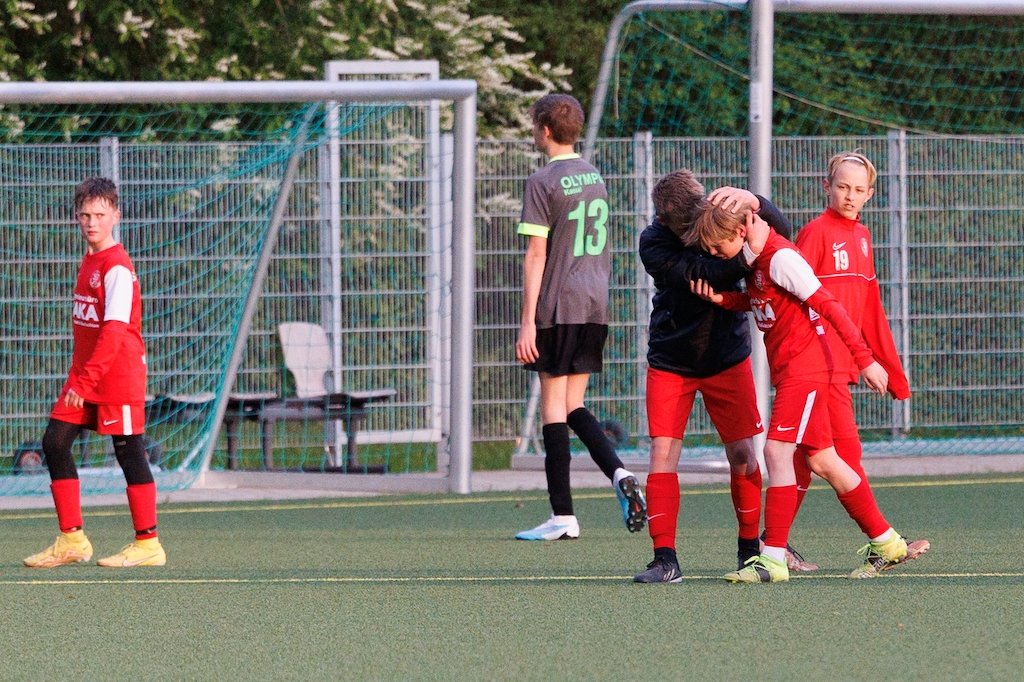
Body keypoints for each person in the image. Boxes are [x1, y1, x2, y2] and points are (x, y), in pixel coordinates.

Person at [691, 201, 918, 582]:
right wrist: (724, 300)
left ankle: (772, 559)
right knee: (823, 460)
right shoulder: (758, 261)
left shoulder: (780, 258)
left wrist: (865, 359)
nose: (714, 254)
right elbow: (765, 302)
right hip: (794, 369)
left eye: (717, 246)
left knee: (776, 452)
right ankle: (887, 541)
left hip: (806, 368)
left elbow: (829, 305)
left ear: (741, 233)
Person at [632, 169, 812, 583]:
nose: (700, 233)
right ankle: (665, 560)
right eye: (689, 228)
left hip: (727, 356)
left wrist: (754, 201)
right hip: (671, 360)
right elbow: (705, 274)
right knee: (662, 452)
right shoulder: (653, 242)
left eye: (700, 219)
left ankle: (749, 551)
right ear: (665, 221)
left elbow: (781, 234)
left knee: (744, 455)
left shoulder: (713, 215)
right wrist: (747, 255)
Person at [514, 94, 646, 541]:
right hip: (594, 302)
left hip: (559, 302)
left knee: (553, 407)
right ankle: (619, 472)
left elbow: (536, 254)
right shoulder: (594, 176)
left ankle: (562, 516)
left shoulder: (542, 180)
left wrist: (528, 321)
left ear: (545, 130)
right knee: (573, 405)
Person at [791, 150, 929, 563]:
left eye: (858, 189)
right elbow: (793, 299)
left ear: (870, 194)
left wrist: (889, 369)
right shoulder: (814, 233)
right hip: (817, 365)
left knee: (807, 458)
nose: (849, 195)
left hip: (841, 366)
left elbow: (870, 309)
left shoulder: (863, 236)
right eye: (842, 187)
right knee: (844, 454)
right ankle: (884, 542)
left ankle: (770, 544)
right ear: (826, 186)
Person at [24, 177, 166, 568]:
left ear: (116, 216)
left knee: (128, 451)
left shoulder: (116, 266)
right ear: (77, 216)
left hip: (117, 375)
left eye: (100, 215)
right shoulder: (90, 260)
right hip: (86, 374)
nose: (92, 222)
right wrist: (81, 377)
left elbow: (115, 331)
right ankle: (72, 540)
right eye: (85, 215)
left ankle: (148, 544)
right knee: (55, 442)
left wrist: (86, 381)